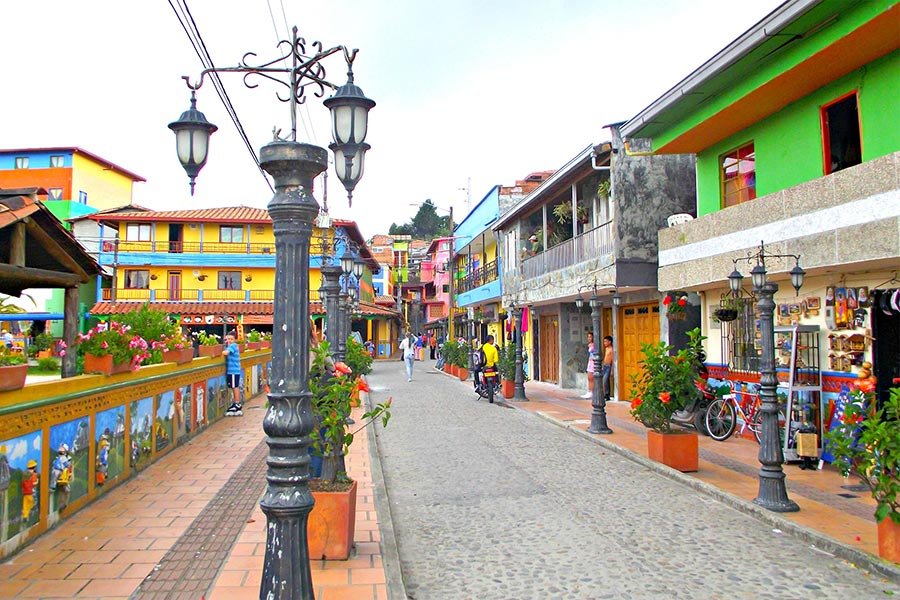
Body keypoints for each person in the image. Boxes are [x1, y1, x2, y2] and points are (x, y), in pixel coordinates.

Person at [223, 331, 243, 416]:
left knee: (235, 386)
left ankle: (237, 403)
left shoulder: (233, 346)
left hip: (234, 370)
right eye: (228, 339)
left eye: (231, 339)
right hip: (232, 371)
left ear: (235, 340)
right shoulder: (231, 346)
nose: (229, 340)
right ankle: (236, 402)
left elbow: (226, 353)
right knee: (233, 386)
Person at [580, 332, 595, 399]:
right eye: (588, 337)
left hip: (594, 362)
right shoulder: (590, 345)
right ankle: (589, 391)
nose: (589, 338)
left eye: (590, 337)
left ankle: (592, 392)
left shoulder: (594, 345)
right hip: (590, 362)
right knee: (589, 377)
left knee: (591, 377)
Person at [601, 335, 614, 402]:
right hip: (605, 366)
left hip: (609, 366)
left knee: (606, 380)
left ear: (610, 342)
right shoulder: (606, 349)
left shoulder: (611, 349)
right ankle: (605, 393)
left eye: (606, 341)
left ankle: (607, 394)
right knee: (604, 381)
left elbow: (612, 359)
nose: (604, 343)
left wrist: (612, 369)